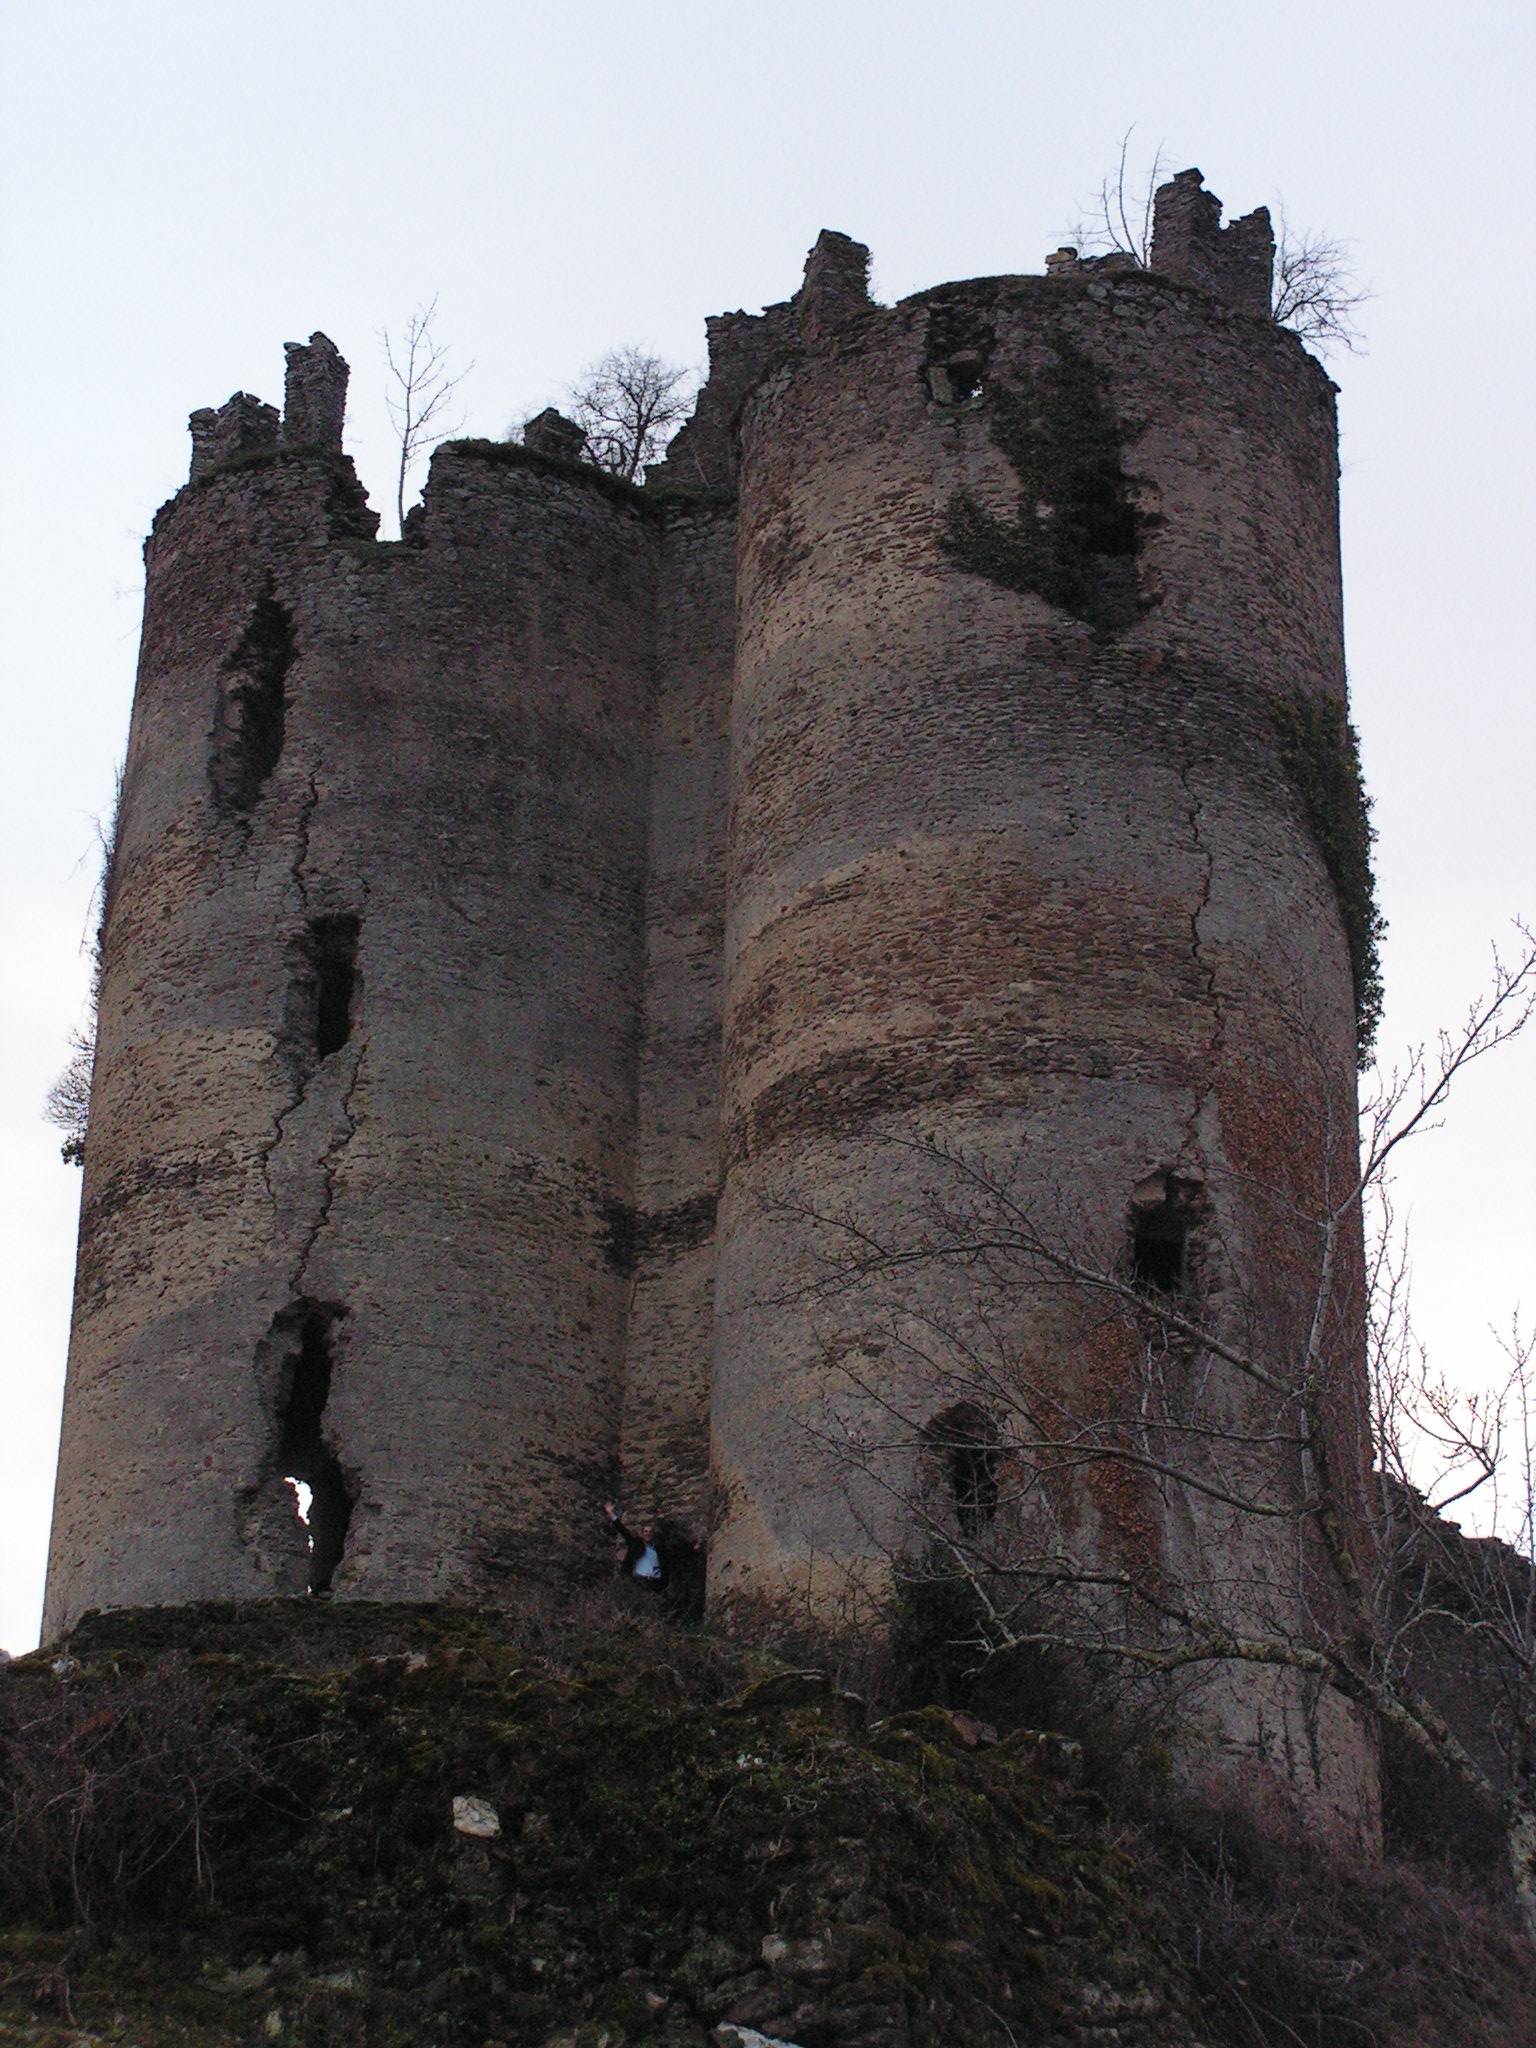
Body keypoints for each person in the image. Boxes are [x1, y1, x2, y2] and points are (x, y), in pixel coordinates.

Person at [603, 1501, 665, 1587]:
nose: (648, 1533)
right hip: (635, 1581)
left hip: (651, 1584)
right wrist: (611, 1513)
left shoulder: (658, 1550)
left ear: (653, 1534)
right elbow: (623, 1530)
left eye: (650, 1532)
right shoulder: (635, 1543)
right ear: (642, 1534)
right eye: (646, 1531)